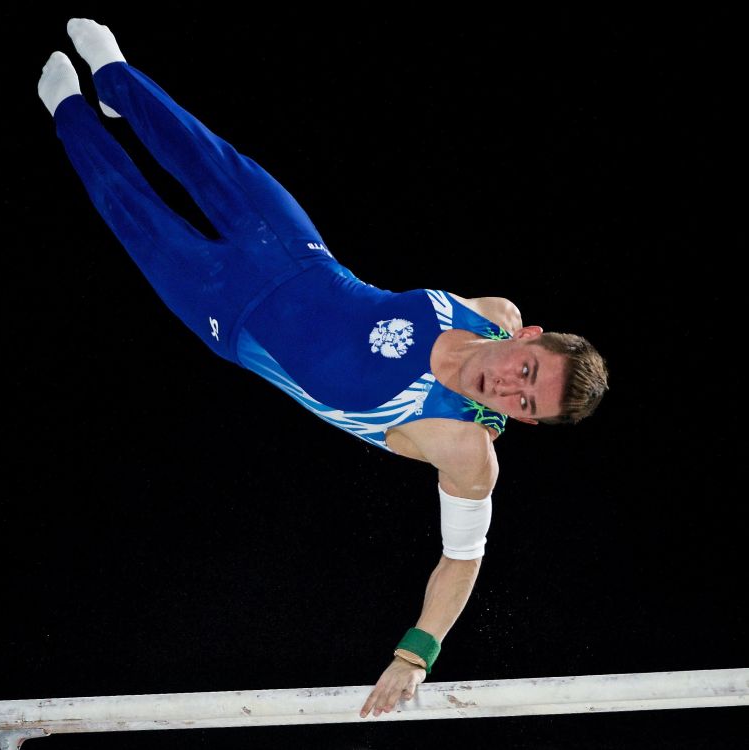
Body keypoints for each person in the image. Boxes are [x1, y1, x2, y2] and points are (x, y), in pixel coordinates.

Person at [38, 18, 609, 719]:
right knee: (207, 155)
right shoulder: (492, 309)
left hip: (233, 318)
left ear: (524, 423)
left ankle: (68, 113)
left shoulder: (464, 448)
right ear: (530, 335)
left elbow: (463, 559)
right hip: (299, 251)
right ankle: (119, 82)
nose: (511, 388)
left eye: (527, 406)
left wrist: (413, 656)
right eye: (528, 370)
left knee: (132, 208)